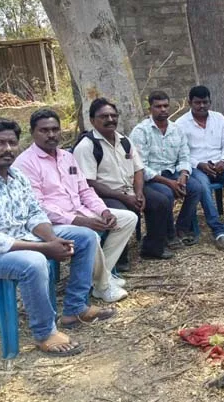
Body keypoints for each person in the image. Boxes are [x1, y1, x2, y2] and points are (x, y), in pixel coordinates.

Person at [0, 119, 115, 357]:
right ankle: (45, 333)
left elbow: (34, 213)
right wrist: (45, 249)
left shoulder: (16, 176)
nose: (7, 149)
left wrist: (51, 240)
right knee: (33, 262)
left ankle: (75, 308)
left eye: (12, 143)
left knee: (85, 236)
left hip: (19, 239)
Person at [14, 109, 136, 303]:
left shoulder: (67, 156)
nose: (51, 134)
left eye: (55, 129)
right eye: (44, 130)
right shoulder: (25, 163)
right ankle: (103, 286)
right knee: (90, 234)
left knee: (128, 218)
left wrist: (103, 211)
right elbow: (38, 206)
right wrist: (79, 221)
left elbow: (85, 190)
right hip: (49, 224)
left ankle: (99, 277)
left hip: (80, 211)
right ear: (32, 132)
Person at [74, 98, 174, 263]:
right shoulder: (87, 146)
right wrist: (124, 198)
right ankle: (119, 260)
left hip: (129, 189)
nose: (110, 119)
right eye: (104, 116)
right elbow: (89, 183)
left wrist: (139, 193)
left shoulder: (125, 141)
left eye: (113, 115)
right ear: (92, 120)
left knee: (160, 201)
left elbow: (138, 169)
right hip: (104, 194)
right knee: (123, 213)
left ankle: (153, 248)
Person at [176, 85, 224, 250]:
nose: (202, 106)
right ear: (190, 103)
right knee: (202, 186)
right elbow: (182, 153)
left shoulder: (219, 118)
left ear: (210, 102)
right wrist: (199, 164)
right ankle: (218, 231)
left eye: (205, 102)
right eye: (197, 103)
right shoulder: (180, 124)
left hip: (219, 165)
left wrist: (223, 160)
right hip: (197, 167)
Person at [130, 90, 202, 248]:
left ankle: (181, 228)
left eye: (165, 106)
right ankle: (169, 235)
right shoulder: (141, 131)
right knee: (166, 193)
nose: (163, 109)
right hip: (151, 178)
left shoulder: (177, 129)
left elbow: (184, 156)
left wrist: (183, 175)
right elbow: (140, 166)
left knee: (196, 188)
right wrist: (169, 183)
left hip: (173, 173)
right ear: (150, 109)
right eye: (158, 106)